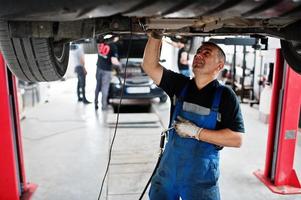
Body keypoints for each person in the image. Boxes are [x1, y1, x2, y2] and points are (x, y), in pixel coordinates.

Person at [142, 32, 245, 200]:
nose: (198, 55)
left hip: (200, 177)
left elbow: (237, 139)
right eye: (198, 51)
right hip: (169, 171)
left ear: (219, 66)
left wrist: (197, 132)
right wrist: (155, 34)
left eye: (206, 53)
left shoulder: (225, 95)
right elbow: (149, 66)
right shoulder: (180, 85)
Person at [94, 36, 121, 110]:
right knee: (104, 88)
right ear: (115, 38)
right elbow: (114, 61)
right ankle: (104, 106)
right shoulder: (113, 46)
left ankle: (95, 103)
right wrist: (120, 65)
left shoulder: (101, 43)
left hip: (99, 68)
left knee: (98, 86)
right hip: (107, 70)